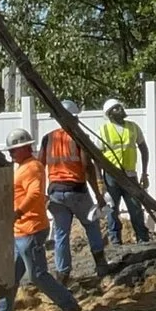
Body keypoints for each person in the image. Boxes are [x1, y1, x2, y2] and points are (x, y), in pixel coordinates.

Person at [0, 128, 81, 311]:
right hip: (21, 230)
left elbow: (34, 195)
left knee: (37, 275)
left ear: (25, 148)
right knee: (11, 277)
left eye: (14, 150)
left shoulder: (32, 167)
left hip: (30, 229)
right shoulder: (24, 166)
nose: (10, 154)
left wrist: (18, 212)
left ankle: (70, 305)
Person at [41, 102, 110, 278]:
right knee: (91, 224)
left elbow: (38, 166)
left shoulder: (48, 138)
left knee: (61, 234)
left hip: (55, 192)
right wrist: (98, 194)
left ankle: (63, 274)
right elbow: (87, 167)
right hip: (77, 191)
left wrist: (42, 194)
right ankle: (101, 265)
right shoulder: (79, 137)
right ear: (74, 116)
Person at [95, 98, 152, 244]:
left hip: (130, 175)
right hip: (111, 177)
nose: (120, 110)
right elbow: (96, 157)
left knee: (135, 208)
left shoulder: (133, 127)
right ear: (109, 114)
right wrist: (99, 180)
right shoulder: (104, 130)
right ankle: (115, 240)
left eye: (120, 107)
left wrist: (145, 173)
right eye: (116, 108)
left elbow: (144, 149)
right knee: (112, 210)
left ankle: (142, 238)